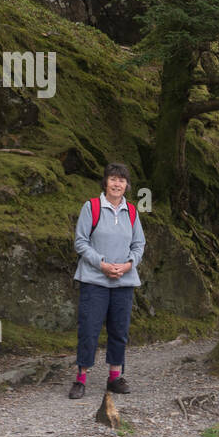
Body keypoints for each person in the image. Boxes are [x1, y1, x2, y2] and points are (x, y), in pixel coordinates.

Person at [68, 163, 146, 399]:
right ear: (105, 182)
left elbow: (139, 244)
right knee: (89, 330)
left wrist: (128, 264)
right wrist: (101, 264)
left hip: (124, 281)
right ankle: (81, 379)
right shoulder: (91, 207)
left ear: (126, 185)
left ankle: (114, 377)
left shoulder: (131, 212)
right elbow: (80, 242)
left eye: (121, 180)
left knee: (119, 330)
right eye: (113, 179)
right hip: (94, 280)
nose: (117, 184)